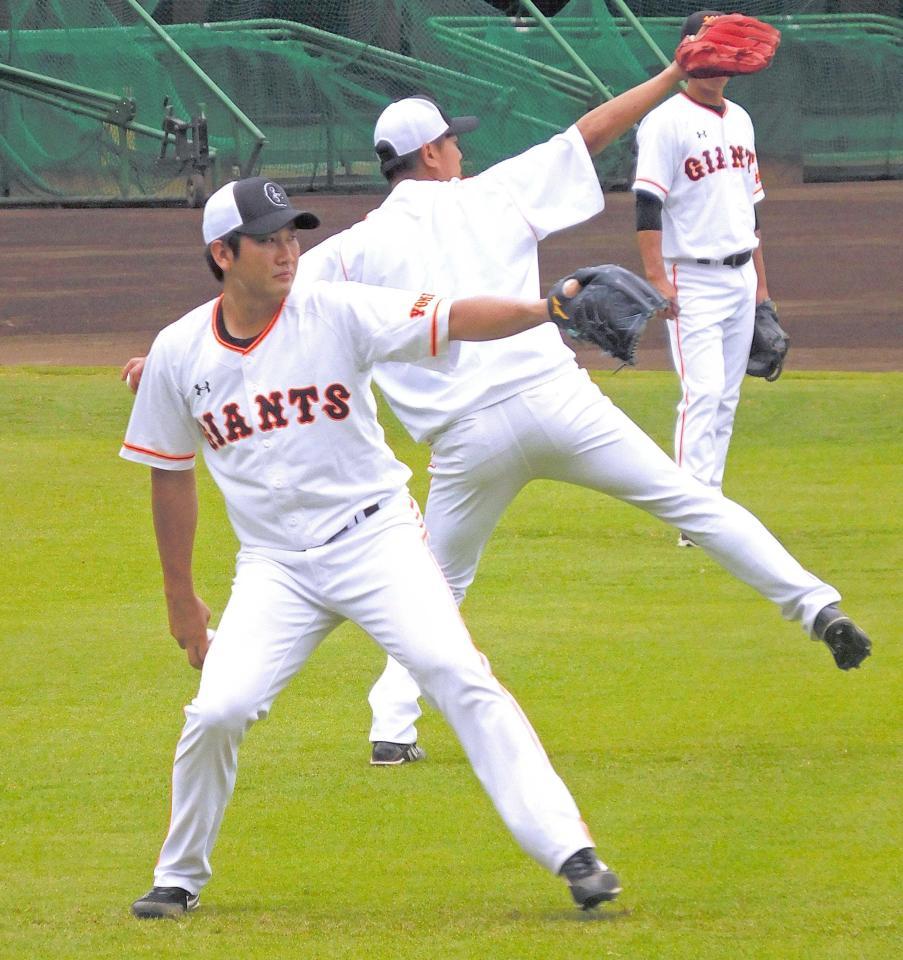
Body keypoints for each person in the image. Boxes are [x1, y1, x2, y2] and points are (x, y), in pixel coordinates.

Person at [124, 62, 870, 772]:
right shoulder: (498, 192)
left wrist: (159, 357)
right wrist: (672, 78)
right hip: (558, 403)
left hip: (464, 443)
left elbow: (246, 299)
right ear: (432, 152)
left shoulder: (353, 248)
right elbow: (593, 132)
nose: (461, 149)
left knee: (433, 587)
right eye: (454, 139)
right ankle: (814, 606)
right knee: (691, 502)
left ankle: (391, 725)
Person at [122, 176, 626, 919]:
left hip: (375, 538)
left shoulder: (334, 310)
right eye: (268, 239)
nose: (288, 250)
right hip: (274, 570)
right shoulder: (177, 352)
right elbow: (170, 478)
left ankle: (570, 852)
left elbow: (452, 317)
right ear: (222, 253)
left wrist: (540, 309)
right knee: (218, 711)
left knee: (456, 670)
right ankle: (178, 877)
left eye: (292, 234)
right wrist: (180, 600)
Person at [633, 10, 771, 545]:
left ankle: (708, 506)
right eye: (707, 52)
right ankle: (693, 516)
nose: (717, 66)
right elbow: (646, 204)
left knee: (728, 397)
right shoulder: (664, 122)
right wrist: (654, 278)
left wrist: (762, 290)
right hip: (689, 278)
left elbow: (751, 210)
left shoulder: (740, 119)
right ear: (687, 55)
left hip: (739, 275)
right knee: (704, 392)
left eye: (724, 54)